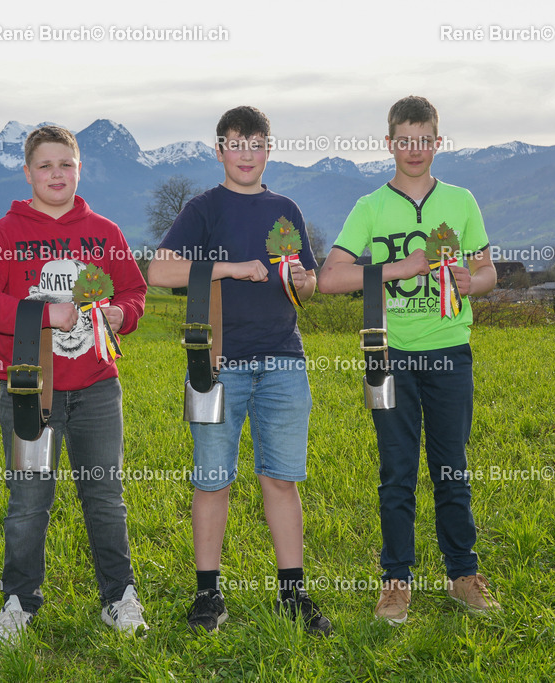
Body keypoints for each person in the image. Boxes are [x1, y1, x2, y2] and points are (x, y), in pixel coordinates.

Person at [0, 124, 148, 646]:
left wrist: (121, 314)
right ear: (28, 173)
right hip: (29, 390)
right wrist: (44, 313)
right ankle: (20, 602)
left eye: (66, 164)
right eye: (45, 165)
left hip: (97, 388)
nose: (56, 174)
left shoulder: (105, 232)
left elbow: (134, 291)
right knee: (28, 500)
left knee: (105, 496)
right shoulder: (5, 234)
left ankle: (119, 597)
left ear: (79, 169)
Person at [147, 106, 332, 636]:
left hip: (283, 360)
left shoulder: (285, 209)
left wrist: (303, 279)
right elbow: (160, 270)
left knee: (282, 479)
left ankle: (292, 593)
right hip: (217, 363)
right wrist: (230, 268)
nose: (246, 154)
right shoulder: (204, 208)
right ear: (220, 150)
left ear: (268, 149)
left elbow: (309, 283)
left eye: (256, 144)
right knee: (212, 482)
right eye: (236, 144)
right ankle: (208, 593)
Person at [318, 96, 501, 622]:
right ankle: (395, 583)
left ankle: (463, 576)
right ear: (389, 143)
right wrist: (401, 267)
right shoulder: (371, 207)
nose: (414, 150)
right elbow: (330, 279)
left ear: (437, 143)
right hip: (390, 355)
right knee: (396, 473)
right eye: (405, 140)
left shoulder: (461, 201)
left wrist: (473, 282)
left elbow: (488, 272)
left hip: (450, 352)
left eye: (424, 140)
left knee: (451, 468)